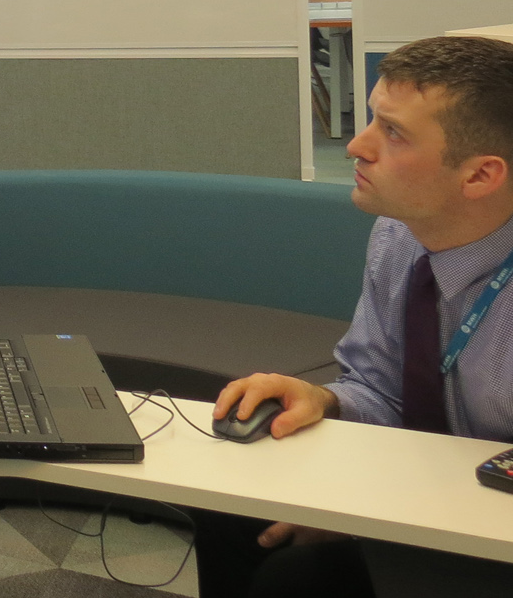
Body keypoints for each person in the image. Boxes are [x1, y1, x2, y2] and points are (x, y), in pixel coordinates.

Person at [195, 35, 513, 598]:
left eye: (393, 132)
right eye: (372, 119)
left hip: (492, 524)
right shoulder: (399, 234)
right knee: (229, 509)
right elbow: (380, 386)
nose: (355, 147)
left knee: (294, 582)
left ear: (479, 176)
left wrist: (379, 517)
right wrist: (326, 400)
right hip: (422, 488)